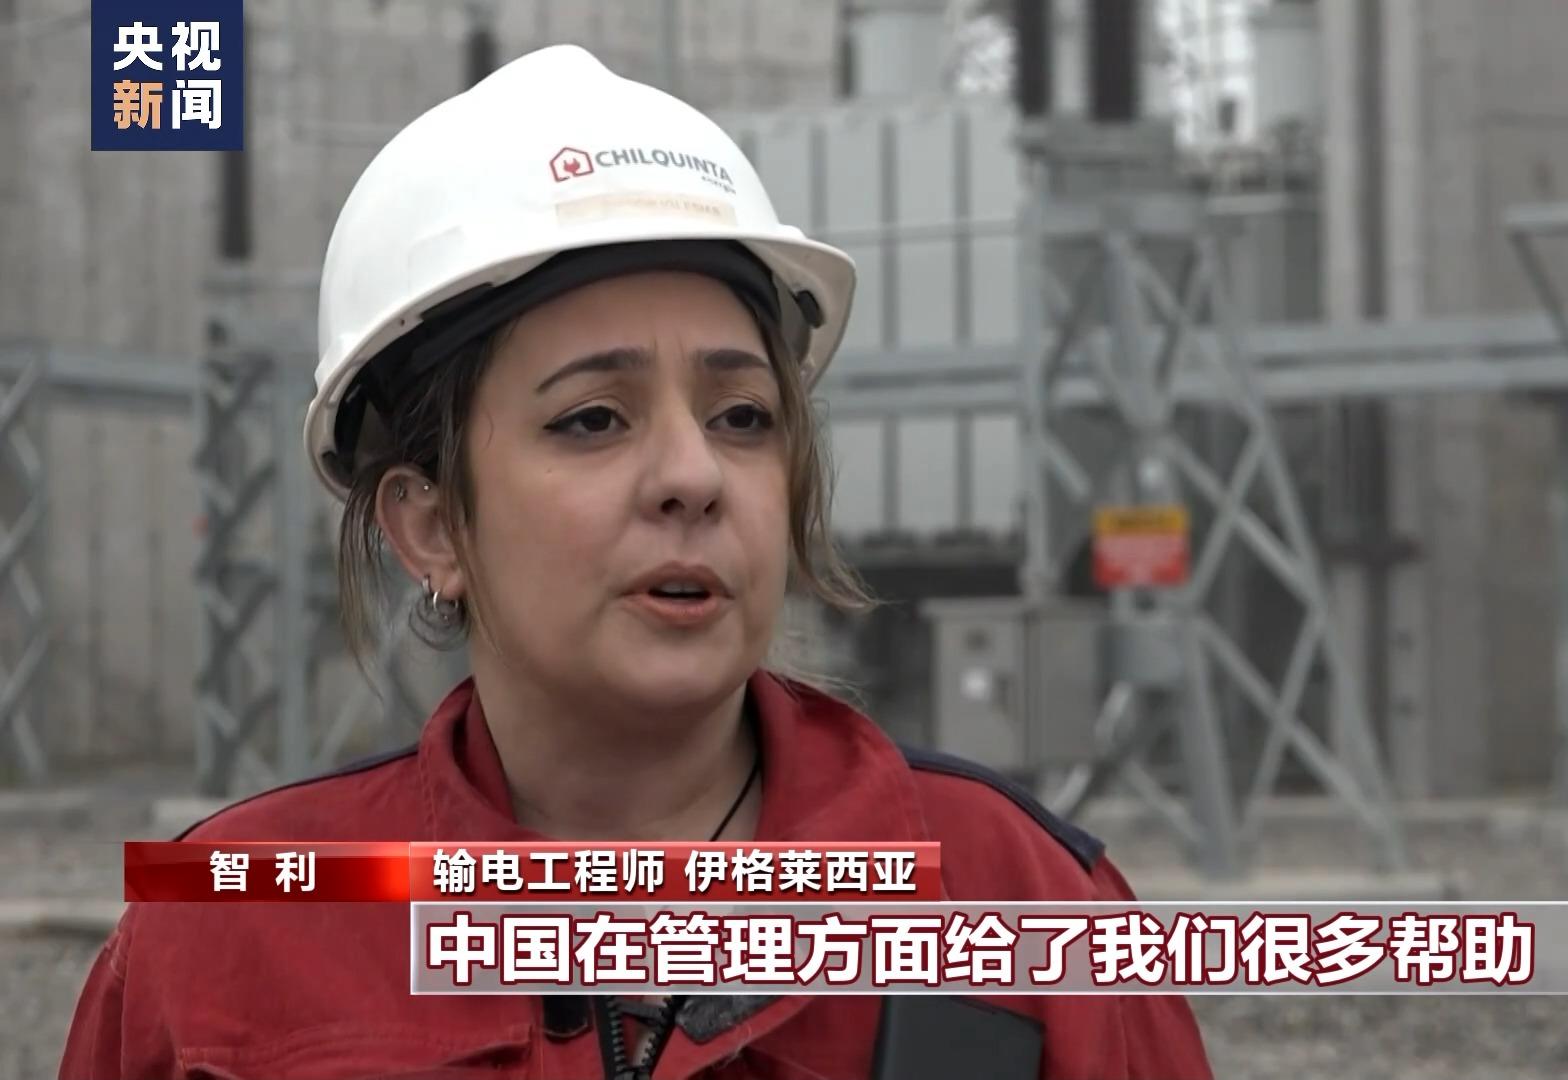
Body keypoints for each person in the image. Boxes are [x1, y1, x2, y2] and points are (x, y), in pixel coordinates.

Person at [59, 44, 1214, 1080]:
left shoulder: (1017, 901)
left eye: (742, 417)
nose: (693, 476)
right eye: (593, 420)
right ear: (431, 527)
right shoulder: (227, 936)